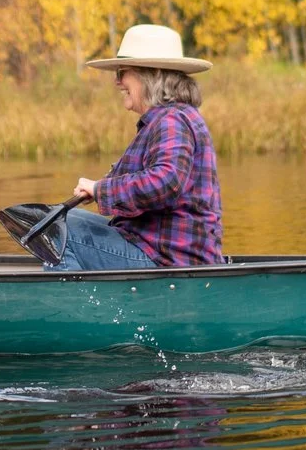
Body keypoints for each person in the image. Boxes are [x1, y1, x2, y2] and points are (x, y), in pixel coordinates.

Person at [58, 24, 223, 270]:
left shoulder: (171, 121)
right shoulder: (170, 118)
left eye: (123, 71)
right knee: (59, 221)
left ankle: (74, 306)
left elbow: (165, 181)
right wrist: (97, 190)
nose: (117, 81)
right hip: (156, 248)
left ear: (150, 75)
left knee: (56, 233)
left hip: (167, 259)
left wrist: (101, 190)